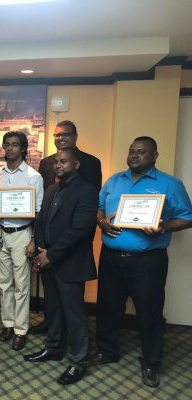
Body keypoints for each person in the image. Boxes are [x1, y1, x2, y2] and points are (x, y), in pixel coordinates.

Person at [90, 136, 192, 388]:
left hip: (148, 261)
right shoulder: (114, 181)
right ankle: (107, 351)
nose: (135, 155)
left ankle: (151, 362)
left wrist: (164, 227)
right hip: (111, 258)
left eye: (142, 152)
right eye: (132, 151)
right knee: (107, 307)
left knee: (149, 312)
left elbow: (188, 217)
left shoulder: (170, 184)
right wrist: (101, 222)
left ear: (154, 156)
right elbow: (99, 208)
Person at [24, 147, 98, 386]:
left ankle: (78, 361)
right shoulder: (51, 190)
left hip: (71, 263)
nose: (58, 165)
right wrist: (40, 252)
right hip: (48, 261)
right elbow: (41, 222)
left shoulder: (87, 191)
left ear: (76, 165)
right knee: (53, 309)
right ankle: (54, 348)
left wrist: (51, 255)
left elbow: (80, 230)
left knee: (73, 315)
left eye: (64, 162)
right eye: (56, 162)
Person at [31, 120, 102, 335]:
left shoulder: (90, 162)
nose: (60, 138)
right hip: (49, 242)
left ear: (75, 136)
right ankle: (53, 332)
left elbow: (86, 210)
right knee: (51, 298)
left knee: (71, 304)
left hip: (72, 246)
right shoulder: (45, 163)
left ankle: (73, 345)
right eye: (57, 135)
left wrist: (60, 249)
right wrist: (43, 246)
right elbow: (45, 205)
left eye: (66, 134)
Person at [0, 131, 44, 351]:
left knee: (22, 286)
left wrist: (34, 239)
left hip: (24, 234)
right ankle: (8, 324)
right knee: (4, 284)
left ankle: (21, 330)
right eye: (7, 144)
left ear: (23, 148)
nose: (10, 148)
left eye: (15, 145)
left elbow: (39, 212)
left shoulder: (33, 176)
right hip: (1, 232)